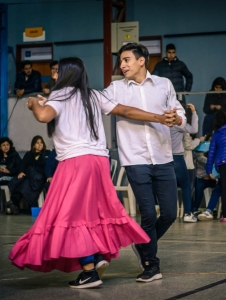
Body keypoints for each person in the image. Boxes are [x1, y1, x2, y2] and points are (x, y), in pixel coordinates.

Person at [9, 57, 178, 289]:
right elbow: (125, 110)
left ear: (66, 73)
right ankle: (97, 255)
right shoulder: (93, 95)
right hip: (99, 161)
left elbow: (43, 117)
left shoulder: (62, 94)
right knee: (94, 213)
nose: (55, 76)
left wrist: (34, 105)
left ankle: (89, 271)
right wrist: (158, 117)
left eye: (58, 72)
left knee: (69, 216)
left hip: (76, 162)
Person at [102, 43, 186, 283]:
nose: (122, 65)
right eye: (121, 61)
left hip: (163, 157)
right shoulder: (116, 88)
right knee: (148, 213)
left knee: (170, 213)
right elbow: (98, 103)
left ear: (142, 61)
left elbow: (180, 113)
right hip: (135, 159)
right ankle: (151, 264)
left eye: (127, 60)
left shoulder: (164, 84)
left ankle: (142, 244)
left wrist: (176, 117)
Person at [6, 135, 50, 215]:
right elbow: (22, 165)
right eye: (37, 143)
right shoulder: (29, 154)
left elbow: (48, 166)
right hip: (29, 178)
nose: (40, 144)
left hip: (39, 179)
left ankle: (13, 202)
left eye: (41, 143)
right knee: (24, 182)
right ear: (33, 145)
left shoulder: (46, 153)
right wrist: (21, 171)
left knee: (25, 182)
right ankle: (14, 205)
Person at [171, 103, 198, 222]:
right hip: (177, 157)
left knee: (167, 187)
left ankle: (168, 213)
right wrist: (194, 113)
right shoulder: (179, 125)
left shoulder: (162, 123)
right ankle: (187, 213)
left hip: (164, 158)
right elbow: (194, 129)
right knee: (186, 186)